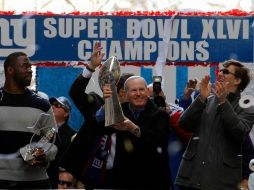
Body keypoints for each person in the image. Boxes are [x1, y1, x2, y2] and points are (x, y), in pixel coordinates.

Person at [61, 42, 133, 188]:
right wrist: (91, 67)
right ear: (120, 92)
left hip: (119, 177)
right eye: (130, 91)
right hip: (87, 174)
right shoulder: (95, 103)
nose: (135, 95)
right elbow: (75, 93)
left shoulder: (134, 114)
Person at [175, 59, 254, 189]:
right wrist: (200, 99)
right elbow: (183, 124)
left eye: (226, 72)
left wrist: (223, 103)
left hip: (220, 182)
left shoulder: (246, 106)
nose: (220, 73)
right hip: (192, 178)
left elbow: (239, 133)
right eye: (221, 70)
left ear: (237, 81)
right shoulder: (208, 99)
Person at [100, 76, 173, 189]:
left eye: (141, 89)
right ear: (125, 93)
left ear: (147, 91)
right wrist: (107, 103)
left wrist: (133, 128)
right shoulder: (117, 111)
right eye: (134, 90)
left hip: (153, 180)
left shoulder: (161, 115)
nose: (138, 93)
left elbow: (159, 141)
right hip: (122, 180)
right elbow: (97, 128)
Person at [0, 52, 57, 189]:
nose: (30, 70)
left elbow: (52, 138)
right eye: (25, 66)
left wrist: (42, 153)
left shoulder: (42, 104)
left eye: (30, 67)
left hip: (34, 182)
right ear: (10, 70)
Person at [47, 96, 76, 188]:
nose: (53, 106)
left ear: (66, 113)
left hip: (61, 182)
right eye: (52, 104)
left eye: (57, 105)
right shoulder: (45, 131)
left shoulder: (73, 135)